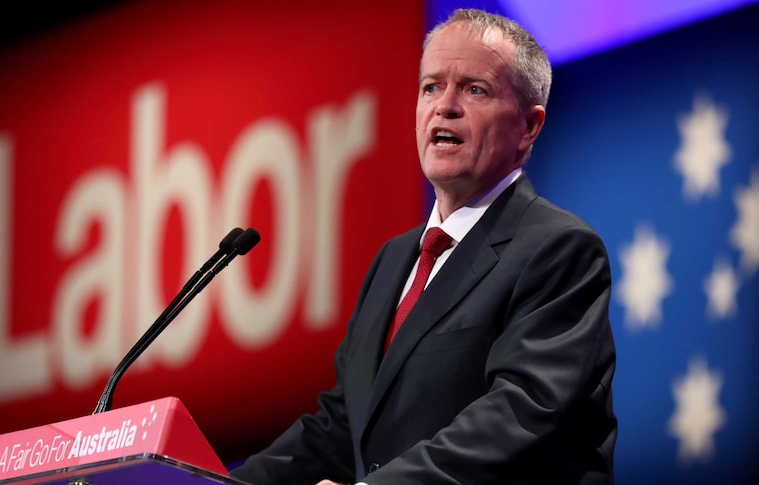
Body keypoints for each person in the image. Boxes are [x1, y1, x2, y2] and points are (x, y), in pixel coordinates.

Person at [229, 8, 617, 485]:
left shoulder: (558, 249)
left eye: (474, 89)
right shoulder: (393, 261)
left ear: (530, 126)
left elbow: (518, 412)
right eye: (431, 86)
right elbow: (342, 425)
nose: (444, 106)